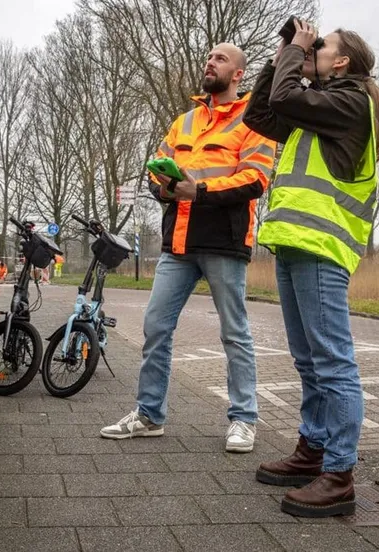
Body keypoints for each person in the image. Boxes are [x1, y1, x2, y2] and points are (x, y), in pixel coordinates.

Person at [100, 43, 276, 453]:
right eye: (208, 58)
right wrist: (163, 185)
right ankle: (149, 415)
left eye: (219, 59)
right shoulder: (185, 121)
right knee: (156, 327)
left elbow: (255, 179)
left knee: (234, 333)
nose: (208, 63)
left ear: (238, 74)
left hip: (223, 242)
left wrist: (199, 190)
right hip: (177, 242)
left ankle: (244, 420)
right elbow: (155, 170)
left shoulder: (254, 122)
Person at [243, 20, 379, 517]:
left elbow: (285, 99)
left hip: (323, 246)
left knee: (332, 362)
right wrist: (282, 53)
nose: (312, 49)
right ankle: (314, 449)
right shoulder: (319, 109)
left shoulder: (350, 104)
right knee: (308, 360)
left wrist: (294, 55)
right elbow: (262, 113)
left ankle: (339, 474)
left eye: (321, 46)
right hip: (294, 243)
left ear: (342, 61)